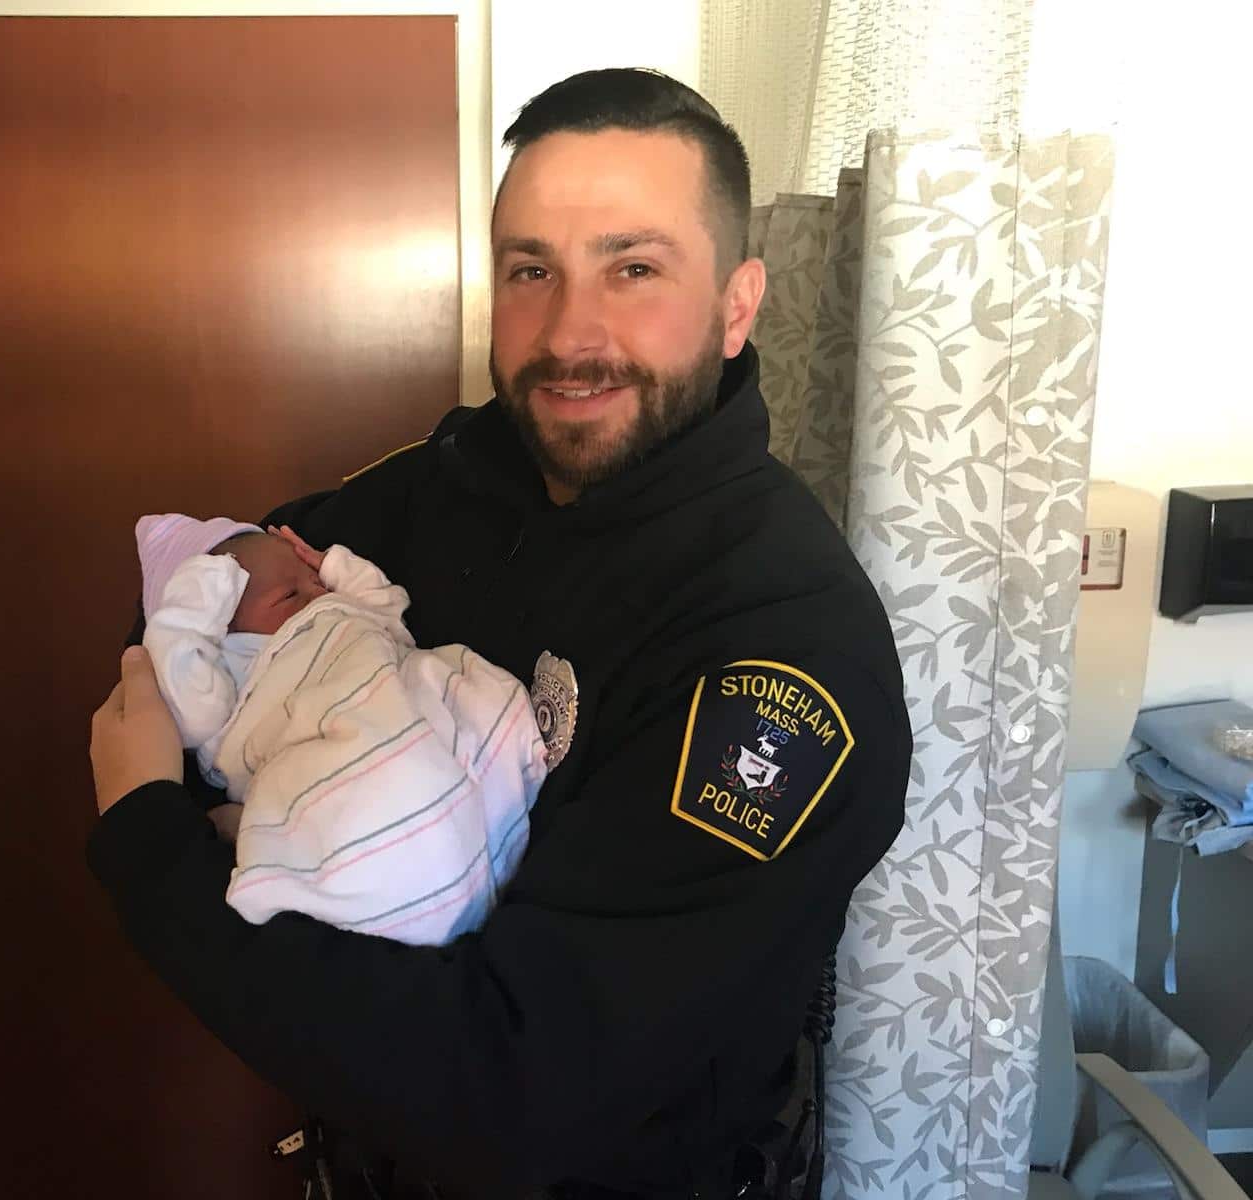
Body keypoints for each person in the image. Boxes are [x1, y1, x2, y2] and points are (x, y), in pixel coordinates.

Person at [88, 68, 912, 1199]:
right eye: (532, 270)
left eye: (633, 268)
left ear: (736, 305)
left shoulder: (780, 646)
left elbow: (517, 1089)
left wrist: (151, 842)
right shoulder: (451, 476)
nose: (570, 333)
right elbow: (210, 588)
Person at [133, 512, 548, 945]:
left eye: (317, 582)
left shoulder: (343, 609)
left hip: (398, 701)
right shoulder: (232, 667)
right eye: (289, 594)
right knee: (364, 791)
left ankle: (460, 825)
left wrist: (332, 565)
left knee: (462, 703)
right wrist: (189, 607)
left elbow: (389, 605)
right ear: (217, 622)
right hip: (326, 755)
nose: (317, 593)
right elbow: (187, 708)